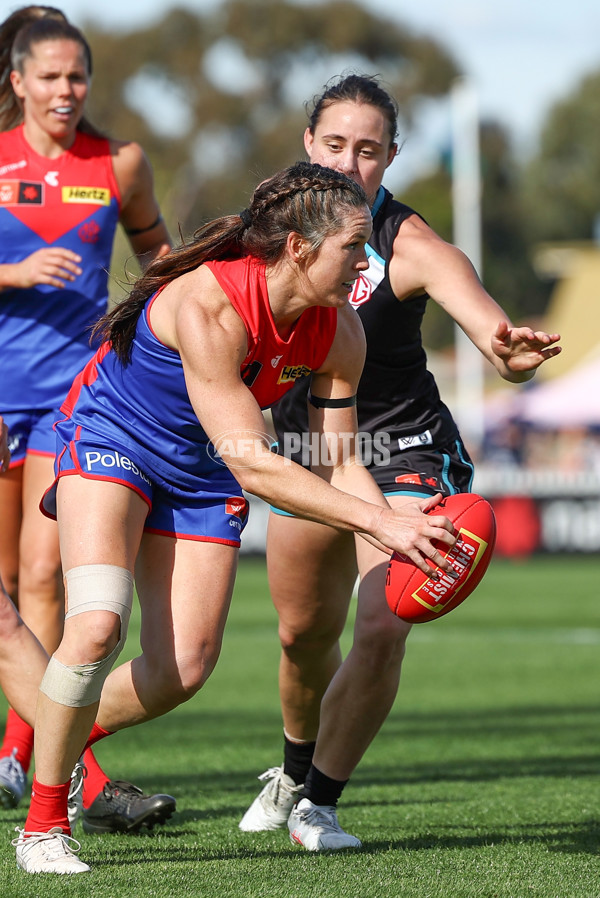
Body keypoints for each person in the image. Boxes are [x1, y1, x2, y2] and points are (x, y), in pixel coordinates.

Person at [7, 159, 461, 875]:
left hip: (201, 469)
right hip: (112, 438)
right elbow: (255, 464)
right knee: (97, 622)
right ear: (300, 248)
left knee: (180, 670)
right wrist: (388, 524)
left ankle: (47, 727)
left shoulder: (341, 330)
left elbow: (336, 463)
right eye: (354, 246)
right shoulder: (208, 305)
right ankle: (41, 825)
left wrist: (407, 539)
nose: (367, 262)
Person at [238, 74, 562, 851]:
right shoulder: (262, 232)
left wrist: (508, 352)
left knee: (384, 618)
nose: (352, 163)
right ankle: (291, 768)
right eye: (337, 144)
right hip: (311, 453)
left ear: (390, 159)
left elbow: (486, 323)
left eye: (371, 150)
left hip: (404, 450)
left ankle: (319, 802)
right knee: (303, 637)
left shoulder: (409, 244)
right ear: (309, 145)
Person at [0, 6, 176, 834]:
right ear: (17, 81)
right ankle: (39, 758)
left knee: (44, 577)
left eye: (77, 76)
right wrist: (16, 270)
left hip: (73, 401)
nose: (66, 90)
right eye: (50, 76)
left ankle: (40, 762)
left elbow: (162, 265)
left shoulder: (120, 163)